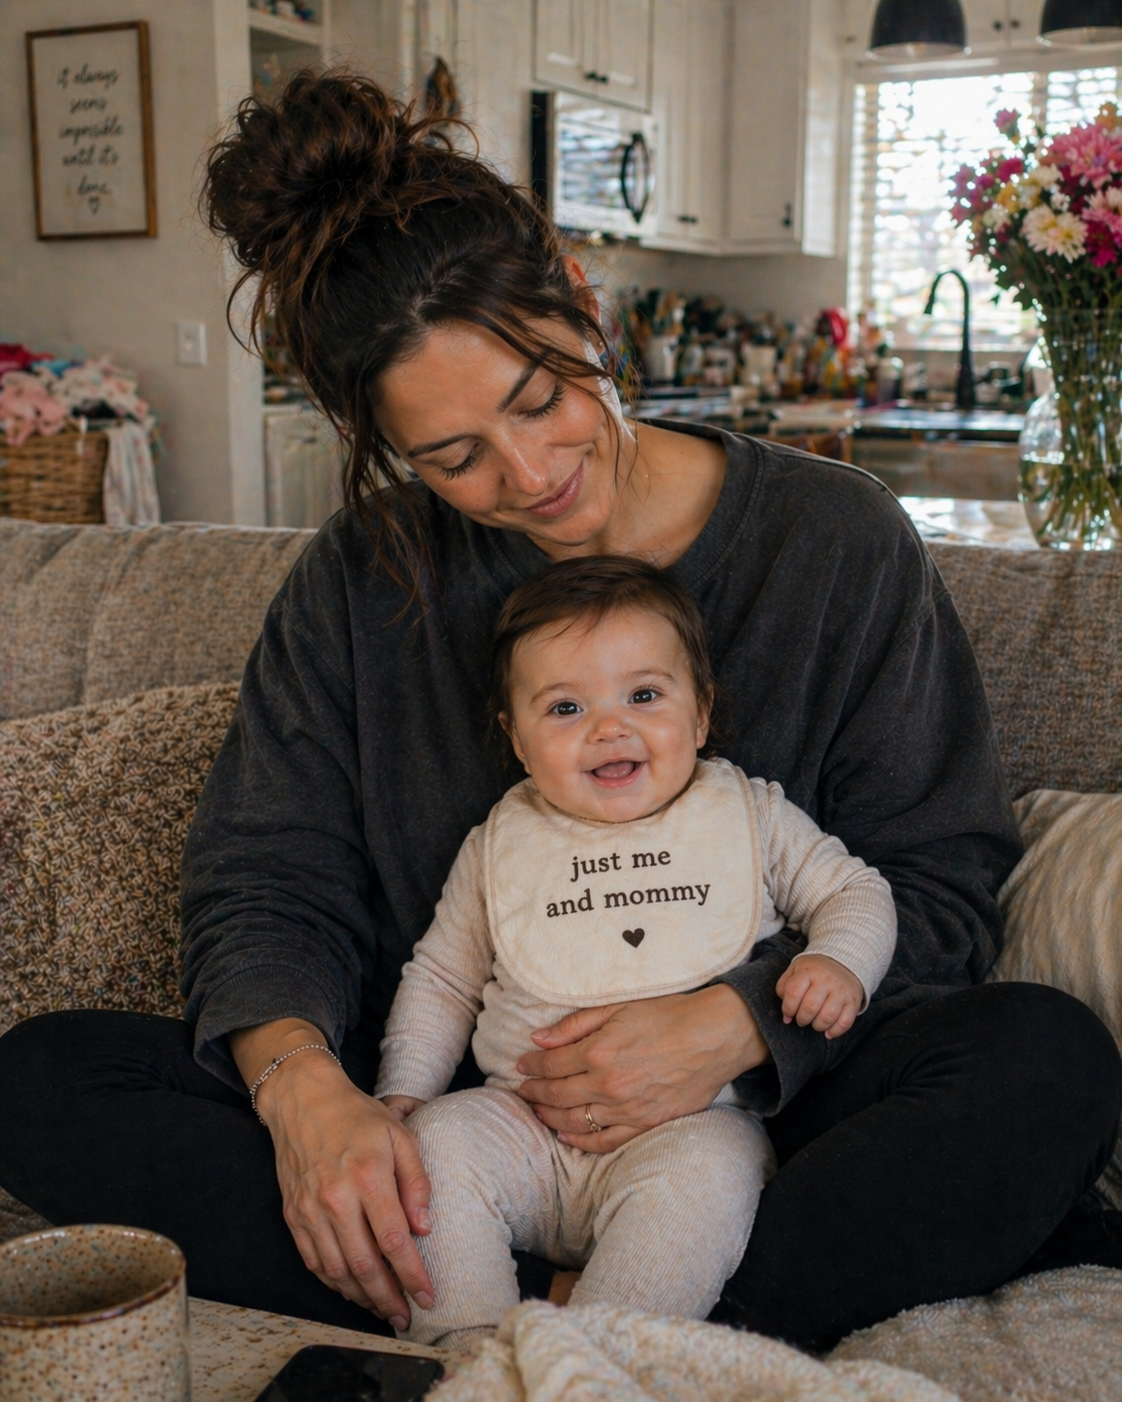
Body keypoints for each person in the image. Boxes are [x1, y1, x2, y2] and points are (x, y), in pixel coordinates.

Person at [0, 70, 1119, 1354]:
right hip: (458, 1135)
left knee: (1047, 1061)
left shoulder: (833, 541)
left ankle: (583, 1339)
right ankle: (571, 1331)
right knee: (48, 1080)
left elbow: (940, 880)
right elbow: (268, 871)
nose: (530, 477)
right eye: (454, 458)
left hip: (758, 1129)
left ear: (579, 306)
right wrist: (310, 1096)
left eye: (539, 399)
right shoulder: (361, 581)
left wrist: (730, 1029)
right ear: (380, 447)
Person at [375, 556, 897, 1347]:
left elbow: (858, 893)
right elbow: (443, 978)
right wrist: (403, 1093)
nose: (608, 727)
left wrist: (838, 963)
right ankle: (466, 1351)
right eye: (565, 707)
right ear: (515, 740)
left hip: (685, 1127)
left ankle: (599, 1355)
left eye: (644, 695)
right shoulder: (498, 846)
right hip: (523, 1126)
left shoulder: (750, 816)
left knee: (715, 1176)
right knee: (435, 1146)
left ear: (701, 713)